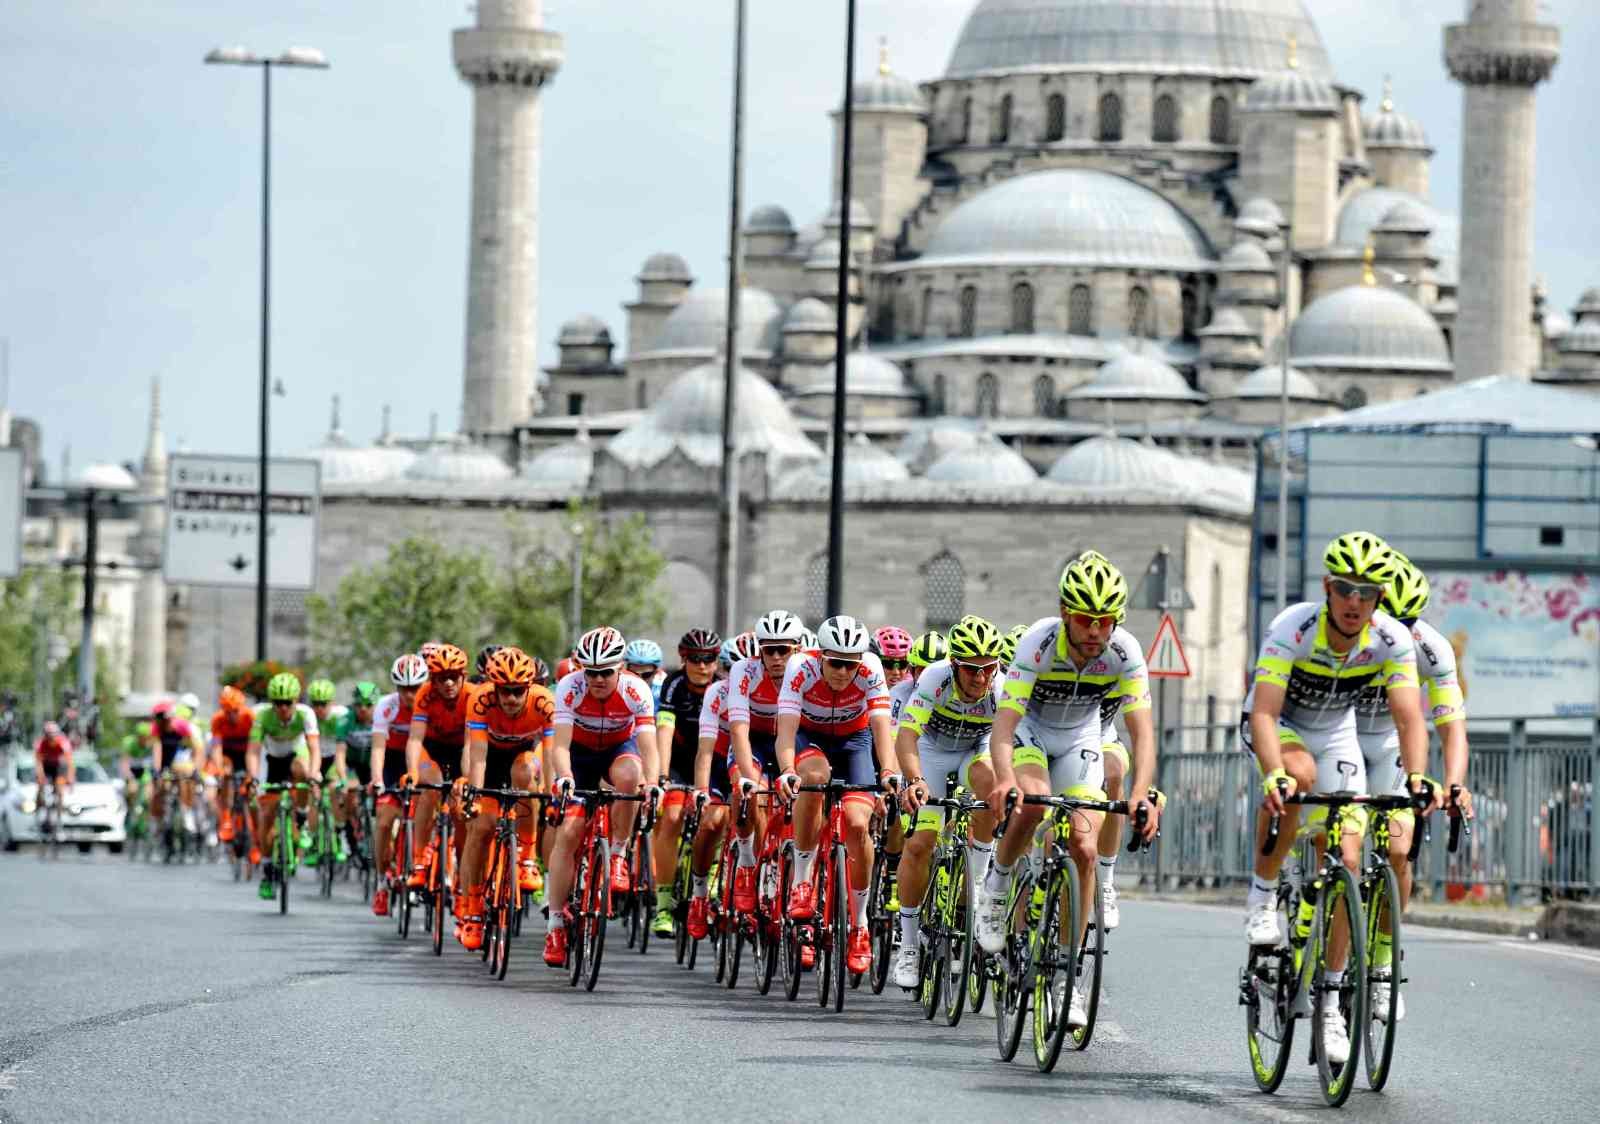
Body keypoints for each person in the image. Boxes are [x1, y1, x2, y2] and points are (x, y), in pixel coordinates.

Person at [1240, 532, 1433, 1066]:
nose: (1355, 601)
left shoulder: (1390, 640)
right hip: (1279, 722)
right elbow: (1263, 712)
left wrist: (1417, 777)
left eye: (1367, 591)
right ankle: (1261, 893)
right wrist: (1274, 773)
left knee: (1349, 856)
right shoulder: (1293, 628)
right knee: (1297, 776)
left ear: (1377, 597)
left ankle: (1328, 998)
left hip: (1337, 732)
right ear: (1328, 588)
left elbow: (1408, 716)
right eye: (1345, 589)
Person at [979, 552, 1162, 1030]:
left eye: (1105, 621)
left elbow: (1142, 733)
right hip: (1031, 734)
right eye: (1085, 619)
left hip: (1082, 736)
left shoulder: (1125, 652)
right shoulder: (1038, 644)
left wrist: (1141, 794)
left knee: (1083, 844)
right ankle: (997, 888)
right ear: (1065, 613)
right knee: (1033, 806)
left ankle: (1067, 980)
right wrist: (1003, 779)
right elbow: (1003, 729)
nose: (1095, 631)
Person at [1353, 552, 1474, 1023]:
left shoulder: (1432, 648)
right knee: (1329, 830)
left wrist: (1455, 783)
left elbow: (1451, 725)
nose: (1397, 633)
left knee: (1399, 849)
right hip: (1336, 731)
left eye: (1408, 621)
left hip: (1388, 744)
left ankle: (1383, 961)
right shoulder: (1343, 634)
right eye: (1389, 619)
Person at [774, 613, 899, 976]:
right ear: (821, 656)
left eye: (850, 665)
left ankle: (859, 925)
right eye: (836, 663)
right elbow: (785, 733)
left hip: (854, 741)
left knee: (859, 826)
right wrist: (786, 772)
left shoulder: (872, 668)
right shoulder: (800, 666)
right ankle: (801, 881)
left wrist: (888, 772)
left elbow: (881, 731)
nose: (843, 672)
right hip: (809, 737)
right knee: (812, 778)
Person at [892, 617, 1006, 987]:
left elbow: (1012, 742)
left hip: (976, 748)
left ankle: (974, 887)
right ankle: (908, 945)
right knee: (922, 842)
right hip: (933, 752)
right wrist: (916, 781)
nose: (981, 678)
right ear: (955, 665)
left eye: (989, 669)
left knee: (992, 787)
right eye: (972, 670)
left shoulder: (1001, 687)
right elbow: (907, 736)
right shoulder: (934, 679)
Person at [542, 626, 662, 967]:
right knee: (568, 832)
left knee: (631, 777)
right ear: (581, 669)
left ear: (620, 668)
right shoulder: (569, 687)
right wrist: (564, 777)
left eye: (606, 672)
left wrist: (652, 782)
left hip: (617, 750)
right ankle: (554, 925)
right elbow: (560, 745)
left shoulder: (636, 690)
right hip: (578, 754)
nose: (598, 679)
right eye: (591, 672)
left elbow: (648, 746)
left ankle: (619, 855)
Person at [456, 647, 556, 951]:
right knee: (482, 828)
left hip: (520, 756)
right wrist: (474, 793)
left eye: (517, 691)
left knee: (527, 773)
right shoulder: (481, 700)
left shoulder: (543, 701)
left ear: (529, 688)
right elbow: (478, 757)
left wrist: (551, 794)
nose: (511, 699)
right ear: (494, 688)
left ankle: (526, 857)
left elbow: (550, 754)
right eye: (504, 692)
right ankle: (472, 906)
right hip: (489, 761)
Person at [649, 627, 722, 936]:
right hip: (679, 763)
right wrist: (663, 777)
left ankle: (715, 876)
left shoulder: (724, 687)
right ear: (683, 660)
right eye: (695, 659)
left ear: (717, 661)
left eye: (708, 658)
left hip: (713, 760)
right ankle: (664, 905)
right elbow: (663, 734)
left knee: (720, 817)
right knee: (672, 819)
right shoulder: (673, 686)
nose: (702, 665)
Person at [245, 674, 321, 900]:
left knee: (303, 771)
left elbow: (314, 748)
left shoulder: (306, 714)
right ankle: (267, 873)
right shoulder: (262, 716)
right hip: (274, 761)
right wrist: (252, 777)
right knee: (267, 816)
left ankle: (302, 817)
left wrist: (315, 773)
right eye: (277, 703)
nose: (283, 708)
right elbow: (253, 751)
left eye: (288, 702)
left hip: (298, 755)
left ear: (296, 701)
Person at [405, 644, 474, 889]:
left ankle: (463, 865)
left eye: (453, 677)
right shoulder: (425, 694)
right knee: (429, 787)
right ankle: (420, 861)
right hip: (432, 747)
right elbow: (414, 739)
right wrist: (412, 772)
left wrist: (466, 779)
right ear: (432, 679)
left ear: (463, 676)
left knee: (460, 810)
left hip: (461, 751)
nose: (448, 683)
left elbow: (470, 745)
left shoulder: (472, 696)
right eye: (441, 678)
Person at [368, 653, 427, 917]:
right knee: (383, 821)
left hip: (422, 760)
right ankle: (381, 883)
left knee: (426, 815)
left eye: (414, 687)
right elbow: (378, 747)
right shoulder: (386, 706)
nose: (409, 694)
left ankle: (424, 867)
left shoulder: (429, 705)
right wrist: (378, 779)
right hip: (393, 763)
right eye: (403, 688)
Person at [306, 679, 348, 864]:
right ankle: (314, 839)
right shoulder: (308, 717)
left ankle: (339, 834)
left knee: (332, 791)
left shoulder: (340, 716)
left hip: (333, 757)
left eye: (323, 704)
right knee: (312, 797)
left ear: (332, 703)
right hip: (313, 757)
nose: (319, 709)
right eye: (315, 704)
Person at [208, 686, 255, 844]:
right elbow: (216, 747)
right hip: (228, 754)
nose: (232, 715)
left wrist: (252, 772)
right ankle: (227, 818)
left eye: (235, 711)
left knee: (251, 784)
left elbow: (256, 746)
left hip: (246, 752)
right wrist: (219, 768)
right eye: (228, 711)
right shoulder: (217, 720)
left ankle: (251, 823)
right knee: (226, 774)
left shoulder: (250, 717)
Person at [337, 682, 379, 850]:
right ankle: (350, 831)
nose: (363, 709)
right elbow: (340, 753)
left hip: (372, 764)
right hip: (352, 764)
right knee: (351, 794)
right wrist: (342, 779)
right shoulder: (345, 720)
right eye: (359, 704)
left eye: (368, 705)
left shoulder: (382, 717)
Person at [34, 720, 75, 819]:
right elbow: (38, 762)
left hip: (59, 766)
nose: (51, 737)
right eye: (48, 734)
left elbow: (69, 761)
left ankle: (59, 815)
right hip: (46, 765)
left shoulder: (63, 742)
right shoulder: (41, 743)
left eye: (53, 734)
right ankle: (38, 806)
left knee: (60, 790)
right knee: (40, 785)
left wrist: (70, 777)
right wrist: (40, 776)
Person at [625, 638, 667, 704]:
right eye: (634, 674)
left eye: (646, 675)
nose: (640, 680)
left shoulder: (664, 690)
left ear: (657, 672)